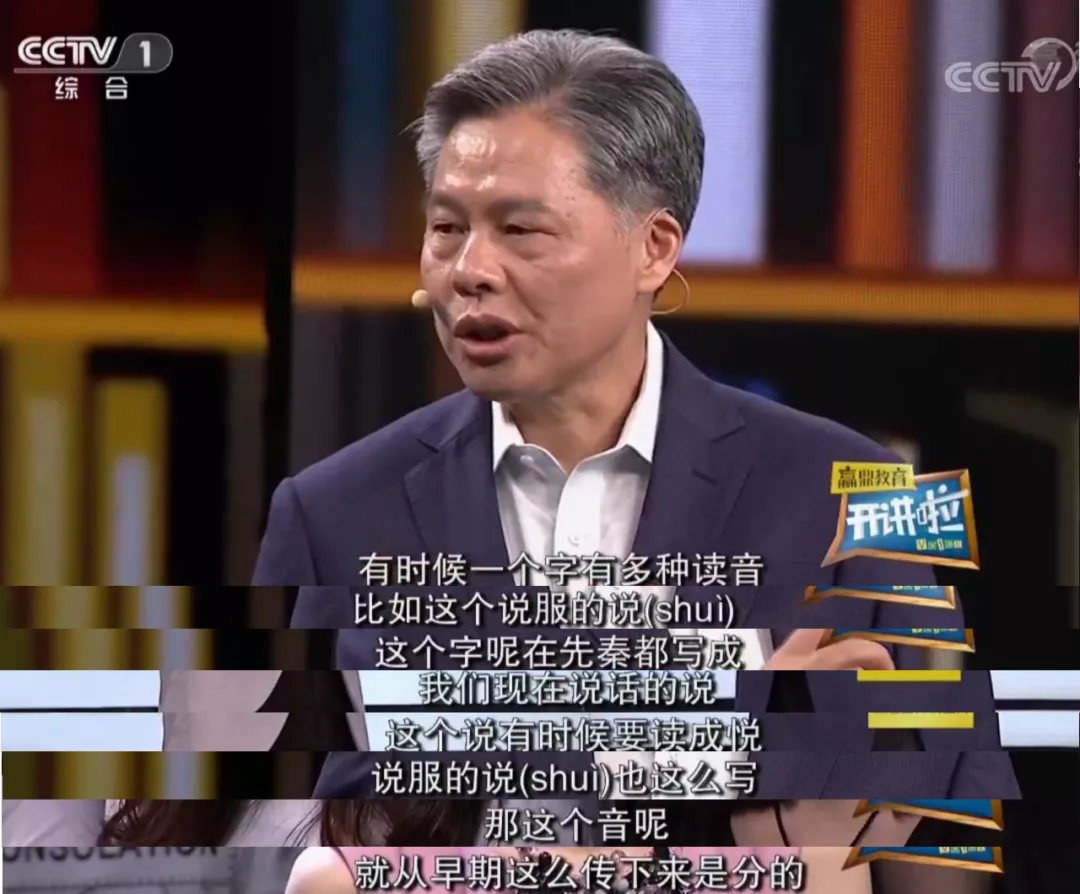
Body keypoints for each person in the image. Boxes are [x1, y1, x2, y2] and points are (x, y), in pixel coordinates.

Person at [253, 29, 1017, 801]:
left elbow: (934, 815)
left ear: (653, 248)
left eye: (520, 230)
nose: (470, 271)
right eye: (447, 228)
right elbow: (249, 831)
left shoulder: (852, 500)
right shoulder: (330, 515)